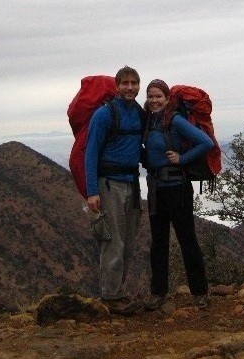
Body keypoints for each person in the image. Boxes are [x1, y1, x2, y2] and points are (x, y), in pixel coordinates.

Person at [142, 79, 213, 310]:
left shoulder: (175, 120)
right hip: (156, 188)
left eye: (158, 96)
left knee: (187, 239)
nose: (154, 100)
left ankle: (200, 292)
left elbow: (205, 142)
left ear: (167, 98)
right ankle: (158, 292)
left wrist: (182, 159)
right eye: (151, 96)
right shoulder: (149, 121)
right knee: (158, 242)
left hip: (177, 187)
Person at [85, 65, 144, 315]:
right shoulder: (104, 114)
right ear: (117, 86)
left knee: (128, 242)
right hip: (109, 185)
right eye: (125, 83)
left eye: (134, 83)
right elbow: (91, 152)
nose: (130, 87)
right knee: (113, 242)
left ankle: (118, 292)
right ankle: (110, 297)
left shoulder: (139, 113)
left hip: (131, 183)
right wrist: (91, 191)